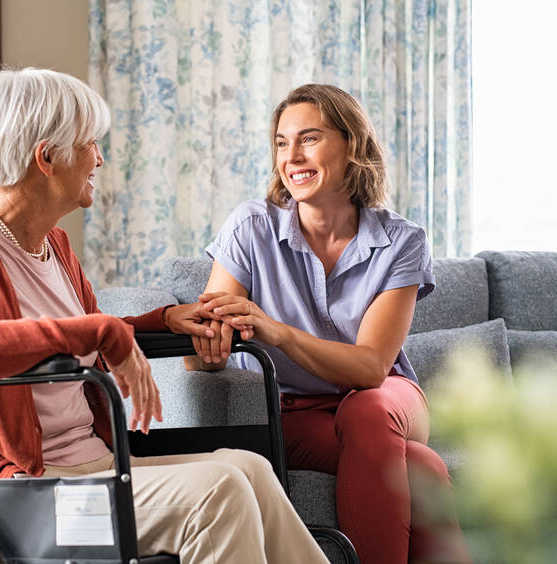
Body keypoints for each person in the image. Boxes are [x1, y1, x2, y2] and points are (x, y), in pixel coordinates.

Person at [0, 67, 328, 564]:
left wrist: (163, 320)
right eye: (89, 143)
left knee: (249, 468)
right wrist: (103, 328)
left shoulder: (54, 246)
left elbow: (77, 338)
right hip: (24, 497)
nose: (100, 158)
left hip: (92, 468)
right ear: (46, 158)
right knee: (219, 491)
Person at [188, 84, 472, 564]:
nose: (291, 155)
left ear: (353, 145)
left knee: (367, 408)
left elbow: (369, 370)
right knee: (420, 465)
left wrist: (275, 330)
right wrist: (209, 341)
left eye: (310, 138)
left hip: (388, 400)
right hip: (295, 410)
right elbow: (202, 352)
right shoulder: (250, 228)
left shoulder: (401, 241)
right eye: (282, 142)